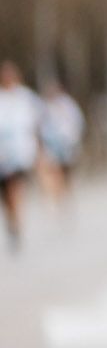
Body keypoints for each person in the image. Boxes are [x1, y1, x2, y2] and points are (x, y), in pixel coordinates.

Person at [0, 61, 39, 252]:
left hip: (20, 155)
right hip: (2, 157)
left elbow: (36, 124)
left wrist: (38, 150)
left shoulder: (26, 98)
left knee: (16, 189)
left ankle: (17, 224)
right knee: (6, 197)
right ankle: (12, 222)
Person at [36, 74, 85, 213]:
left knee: (66, 172)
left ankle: (65, 195)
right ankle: (57, 197)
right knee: (54, 171)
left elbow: (77, 123)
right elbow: (39, 126)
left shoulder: (68, 105)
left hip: (67, 144)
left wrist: (74, 140)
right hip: (51, 145)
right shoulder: (44, 106)